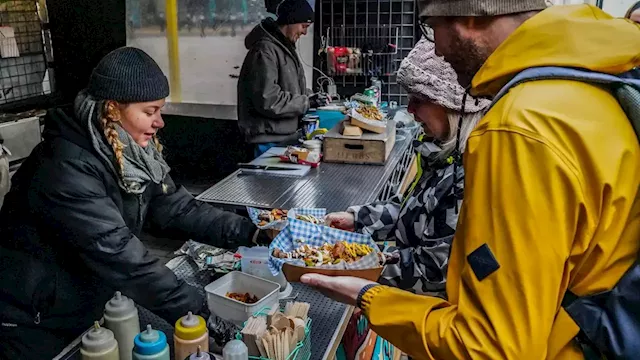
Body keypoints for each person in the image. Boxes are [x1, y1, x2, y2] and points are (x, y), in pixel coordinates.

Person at [302, 2, 640, 359]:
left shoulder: (521, 127)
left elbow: (492, 346)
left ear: (470, 15)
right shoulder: (585, 88)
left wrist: (368, 295)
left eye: (432, 27)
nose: (437, 48)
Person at [0, 47, 267, 358]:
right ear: (113, 109)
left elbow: (177, 208)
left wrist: (253, 233)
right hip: (32, 318)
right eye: (150, 111)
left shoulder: (132, 155)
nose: (159, 122)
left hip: (81, 301)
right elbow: (122, 256)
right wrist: (202, 314)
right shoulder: (64, 167)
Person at [326, 38, 489, 297]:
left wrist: (358, 265)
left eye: (419, 100)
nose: (410, 110)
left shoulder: (469, 175)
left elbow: (433, 270)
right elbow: (408, 210)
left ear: (453, 105)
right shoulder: (438, 154)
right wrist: (356, 220)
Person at [237, 0, 326, 157]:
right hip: (268, 141)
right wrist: (306, 102)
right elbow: (268, 99)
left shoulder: (282, 47)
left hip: (283, 136)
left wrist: (311, 96)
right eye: (304, 26)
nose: (305, 33)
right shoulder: (265, 51)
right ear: (290, 21)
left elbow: (290, 87)